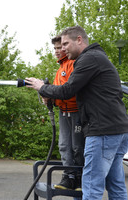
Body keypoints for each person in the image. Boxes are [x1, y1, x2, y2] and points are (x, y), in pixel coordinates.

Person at [26, 26, 128, 200]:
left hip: (102, 131)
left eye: (66, 43)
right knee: (115, 184)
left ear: (79, 40)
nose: (63, 48)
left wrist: (42, 87)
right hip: (118, 130)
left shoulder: (88, 59)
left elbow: (68, 90)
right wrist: (50, 95)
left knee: (91, 185)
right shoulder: (97, 57)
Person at [50, 35, 84, 192]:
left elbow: (69, 90)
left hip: (76, 112)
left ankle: (79, 177)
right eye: (55, 48)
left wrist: (50, 92)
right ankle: (68, 176)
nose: (57, 51)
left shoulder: (73, 64)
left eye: (60, 47)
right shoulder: (59, 69)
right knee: (64, 146)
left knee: (77, 146)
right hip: (63, 112)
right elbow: (57, 91)